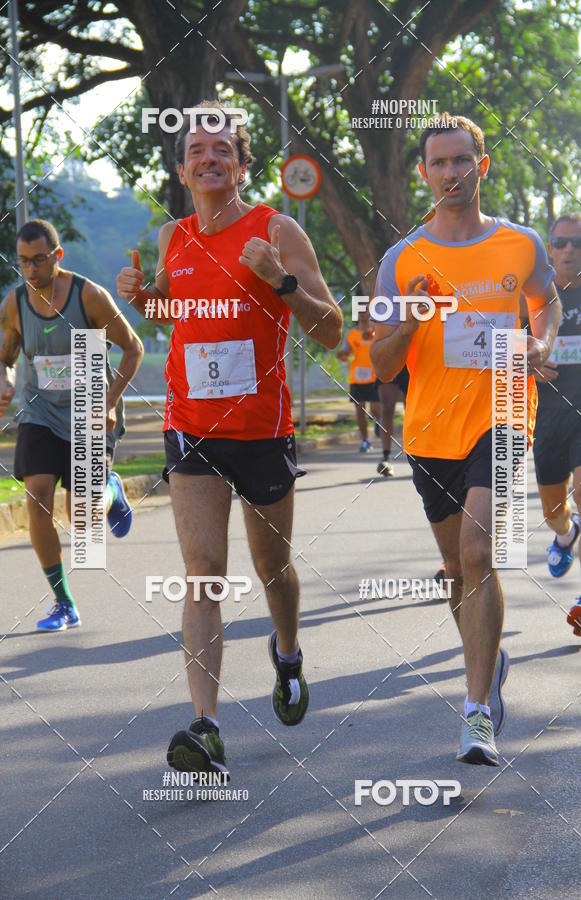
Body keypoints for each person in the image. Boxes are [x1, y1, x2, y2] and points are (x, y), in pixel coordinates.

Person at [117, 102, 342, 778]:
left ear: (241, 164)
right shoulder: (171, 237)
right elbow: (178, 312)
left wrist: (281, 281)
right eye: (196, 150)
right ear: (183, 169)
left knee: (273, 568)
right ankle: (206, 725)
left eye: (222, 148)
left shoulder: (274, 227)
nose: (208, 157)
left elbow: (330, 328)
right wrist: (142, 299)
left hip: (263, 430)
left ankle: (289, 651)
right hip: (191, 426)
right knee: (204, 570)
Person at [371, 113, 561, 766]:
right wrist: (413, 317)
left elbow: (547, 300)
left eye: (462, 161)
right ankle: (490, 657)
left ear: (482, 166)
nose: (451, 173)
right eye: (438, 163)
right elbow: (383, 361)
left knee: (480, 549)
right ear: (424, 173)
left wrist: (542, 340)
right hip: (430, 429)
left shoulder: (520, 244)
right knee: (456, 568)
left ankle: (476, 713)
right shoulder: (403, 260)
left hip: (506, 408)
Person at [0, 219, 143, 632]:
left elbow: (133, 349)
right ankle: (63, 603)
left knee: (81, 517)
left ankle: (110, 489)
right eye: (23, 262)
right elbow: (4, 357)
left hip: (89, 409)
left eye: (39, 260)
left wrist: (112, 400)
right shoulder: (15, 304)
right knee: (37, 496)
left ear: (57, 257)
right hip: (39, 411)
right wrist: (5, 381)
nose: (30, 270)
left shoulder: (89, 296)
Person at [532, 213, 581, 638]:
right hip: (548, 416)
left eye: (579, 243)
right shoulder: (534, 294)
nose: (570, 249)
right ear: (550, 248)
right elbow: (508, 346)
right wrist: (530, 363)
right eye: (561, 242)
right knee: (555, 510)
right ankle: (565, 534)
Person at [337, 308, 381, 452]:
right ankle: (366, 441)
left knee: (375, 408)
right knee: (359, 409)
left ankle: (376, 421)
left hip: (374, 376)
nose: (362, 312)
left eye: (366, 309)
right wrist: (342, 356)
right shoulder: (351, 334)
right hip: (356, 377)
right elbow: (346, 354)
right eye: (360, 310)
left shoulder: (376, 331)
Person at [374, 367, 409, 477]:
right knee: (387, 407)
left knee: (412, 407)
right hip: (390, 355)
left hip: (413, 360)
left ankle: (419, 455)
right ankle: (386, 457)